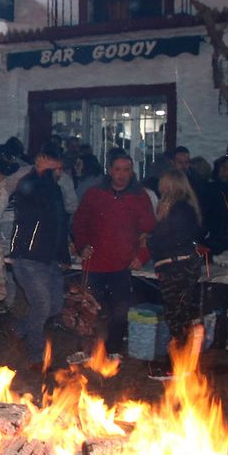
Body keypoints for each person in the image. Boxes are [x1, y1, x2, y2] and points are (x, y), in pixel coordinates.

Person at [71, 152, 155, 358]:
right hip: (95, 263)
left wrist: (142, 256)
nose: (122, 174)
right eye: (118, 169)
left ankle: (113, 350)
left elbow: (150, 231)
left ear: (132, 172)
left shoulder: (139, 196)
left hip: (122, 264)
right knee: (87, 309)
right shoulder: (94, 194)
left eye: (126, 170)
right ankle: (86, 350)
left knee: (119, 311)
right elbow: (79, 223)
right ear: (110, 170)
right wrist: (82, 246)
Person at [6, 144, 69, 367]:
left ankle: (20, 328)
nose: (59, 173)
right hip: (28, 257)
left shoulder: (55, 189)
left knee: (55, 306)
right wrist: (45, 175)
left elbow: (61, 222)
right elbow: (37, 203)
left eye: (60, 169)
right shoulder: (30, 184)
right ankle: (37, 357)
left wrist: (64, 255)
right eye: (55, 169)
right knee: (42, 305)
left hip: (50, 258)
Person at [147, 170, 205, 379]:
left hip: (176, 267)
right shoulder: (186, 207)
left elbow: (167, 240)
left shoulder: (177, 209)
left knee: (177, 315)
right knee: (180, 313)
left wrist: (149, 240)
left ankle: (177, 365)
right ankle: (181, 362)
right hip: (181, 265)